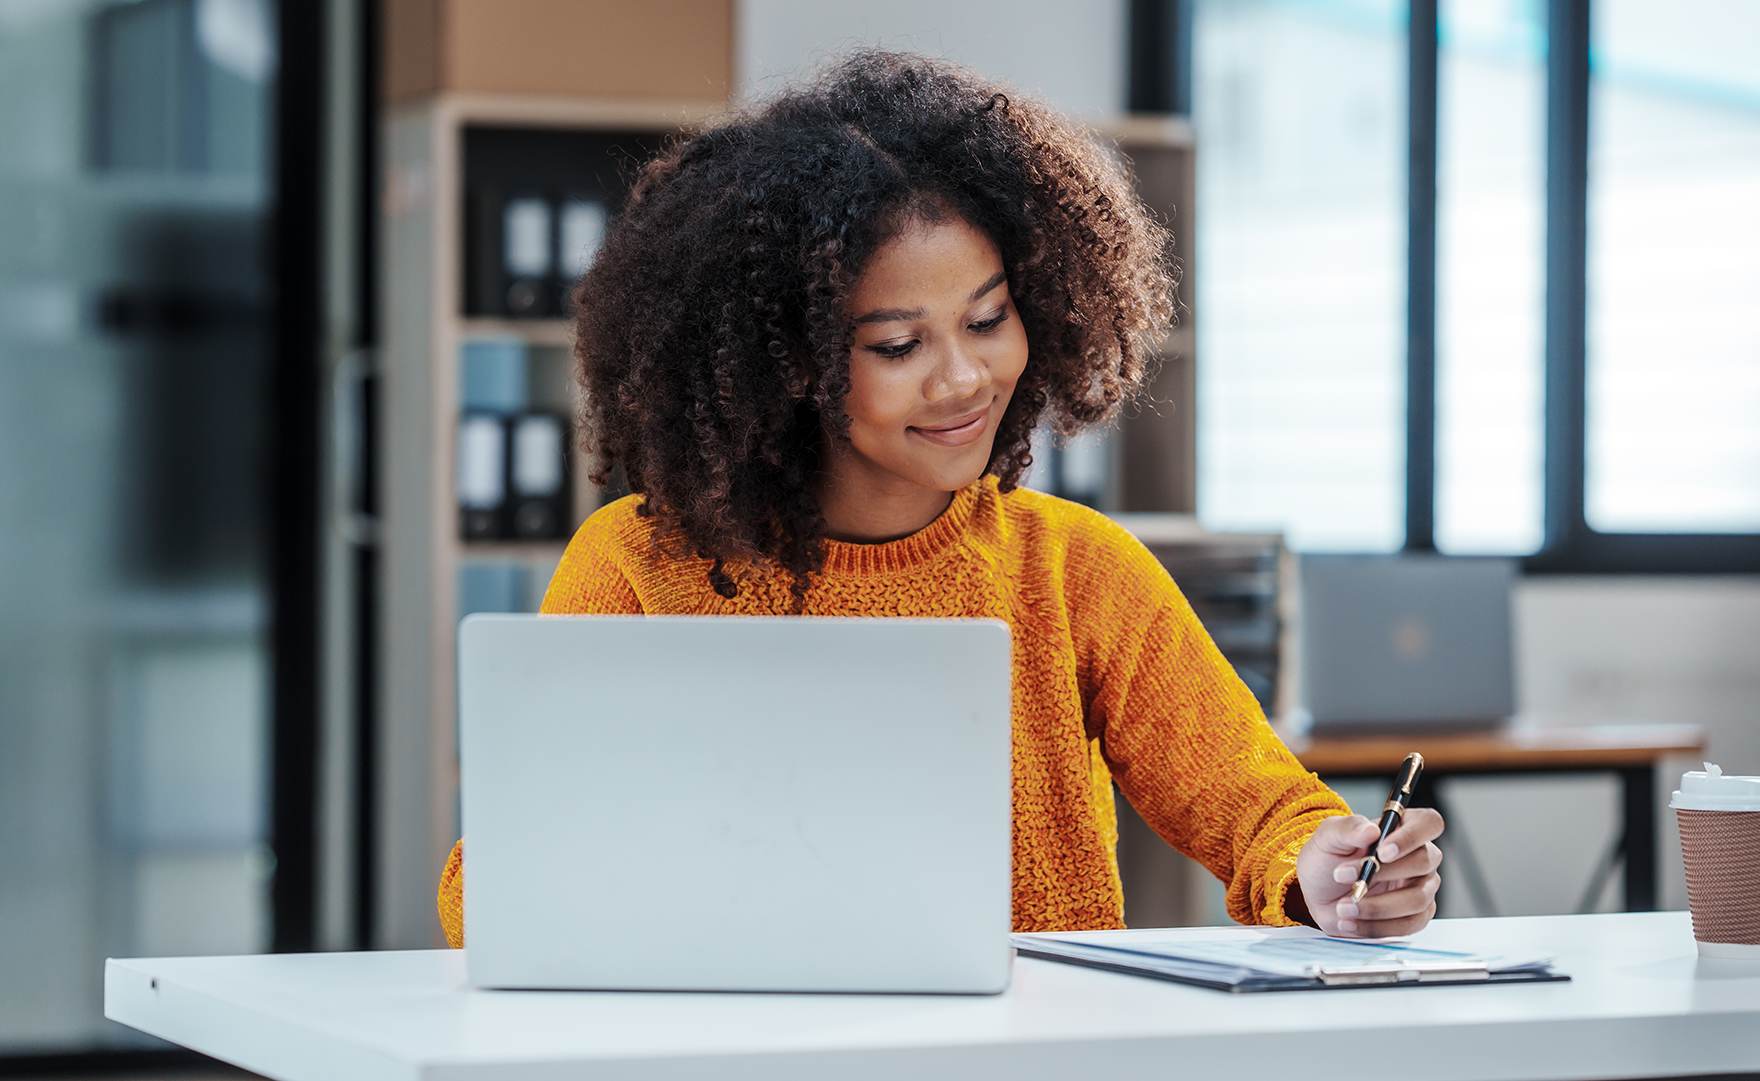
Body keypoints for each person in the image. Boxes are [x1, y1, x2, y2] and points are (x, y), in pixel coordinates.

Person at [437, 50, 1443, 946]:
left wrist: (1327, 867)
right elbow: (493, 889)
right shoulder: (638, 566)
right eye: (898, 345)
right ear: (788, 361)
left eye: (989, 318)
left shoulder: (1075, 568)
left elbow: (1261, 808)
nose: (963, 378)